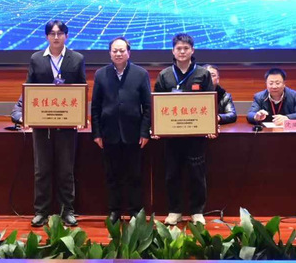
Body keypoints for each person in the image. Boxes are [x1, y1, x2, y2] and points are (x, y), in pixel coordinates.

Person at [10, 20, 86, 228]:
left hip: (67, 124)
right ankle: (41, 212)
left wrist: (80, 116)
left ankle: (67, 211)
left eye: (60, 33)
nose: (56, 37)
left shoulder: (77, 59)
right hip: (42, 125)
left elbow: (81, 89)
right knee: (41, 170)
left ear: (66, 36)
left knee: (66, 170)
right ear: (46, 36)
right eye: (52, 33)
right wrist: (28, 116)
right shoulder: (36, 59)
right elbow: (30, 89)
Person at [154, 33, 215, 227]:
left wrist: (210, 126)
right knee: (172, 174)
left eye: (186, 48)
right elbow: (156, 104)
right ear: (173, 51)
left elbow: (211, 102)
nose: (182, 52)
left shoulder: (203, 74)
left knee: (197, 174)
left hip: (196, 135)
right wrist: (156, 127)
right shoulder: (164, 75)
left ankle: (197, 211)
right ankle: (175, 210)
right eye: (178, 48)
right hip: (172, 136)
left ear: (192, 50)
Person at [91, 37, 151, 224]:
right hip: (108, 134)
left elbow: (147, 107)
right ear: (110, 53)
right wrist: (97, 133)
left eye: (122, 50)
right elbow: (95, 106)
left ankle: (135, 212)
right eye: (115, 51)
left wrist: (145, 132)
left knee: (135, 175)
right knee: (112, 176)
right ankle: (114, 211)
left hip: (134, 134)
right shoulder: (101, 74)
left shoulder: (141, 74)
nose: (118, 54)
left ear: (129, 53)